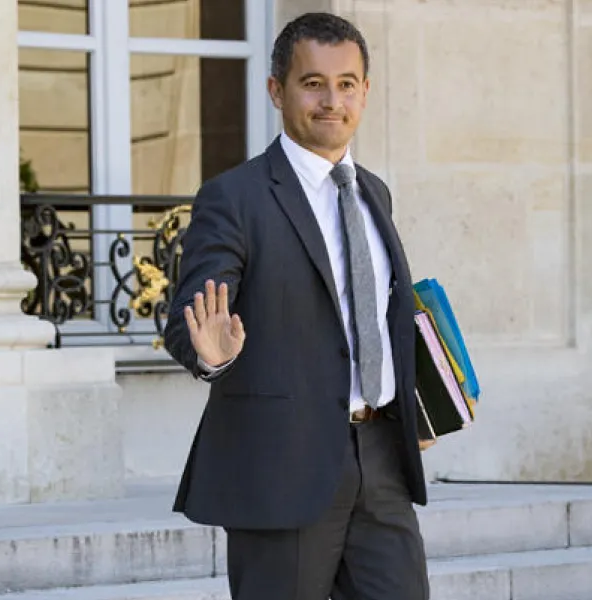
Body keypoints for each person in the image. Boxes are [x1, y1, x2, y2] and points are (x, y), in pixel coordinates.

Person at [162, 12, 430, 600]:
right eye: (313, 83)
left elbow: (378, 318)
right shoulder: (234, 197)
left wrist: (419, 404)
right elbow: (192, 319)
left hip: (381, 459)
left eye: (346, 83)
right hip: (282, 468)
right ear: (277, 90)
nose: (331, 100)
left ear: (365, 91)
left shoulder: (373, 193)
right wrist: (210, 354)